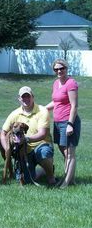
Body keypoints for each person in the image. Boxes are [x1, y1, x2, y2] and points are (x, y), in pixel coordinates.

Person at [0, 86, 56, 185]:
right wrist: (7, 149)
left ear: (33, 97)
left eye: (28, 96)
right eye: (23, 97)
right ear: (19, 99)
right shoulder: (14, 114)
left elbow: (43, 134)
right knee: (26, 181)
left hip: (41, 145)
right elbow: (3, 133)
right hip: (24, 152)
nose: (26, 99)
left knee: (44, 153)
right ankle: (42, 171)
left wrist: (26, 139)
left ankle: (50, 176)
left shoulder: (42, 111)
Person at [46, 59, 80, 188]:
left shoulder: (71, 83)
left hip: (68, 122)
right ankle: (70, 179)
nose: (59, 71)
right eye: (56, 69)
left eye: (62, 68)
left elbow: (74, 106)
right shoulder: (56, 83)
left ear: (66, 68)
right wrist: (43, 109)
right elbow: (56, 102)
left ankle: (65, 183)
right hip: (58, 122)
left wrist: (70, 124)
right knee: (63, 151)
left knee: (70, 153)